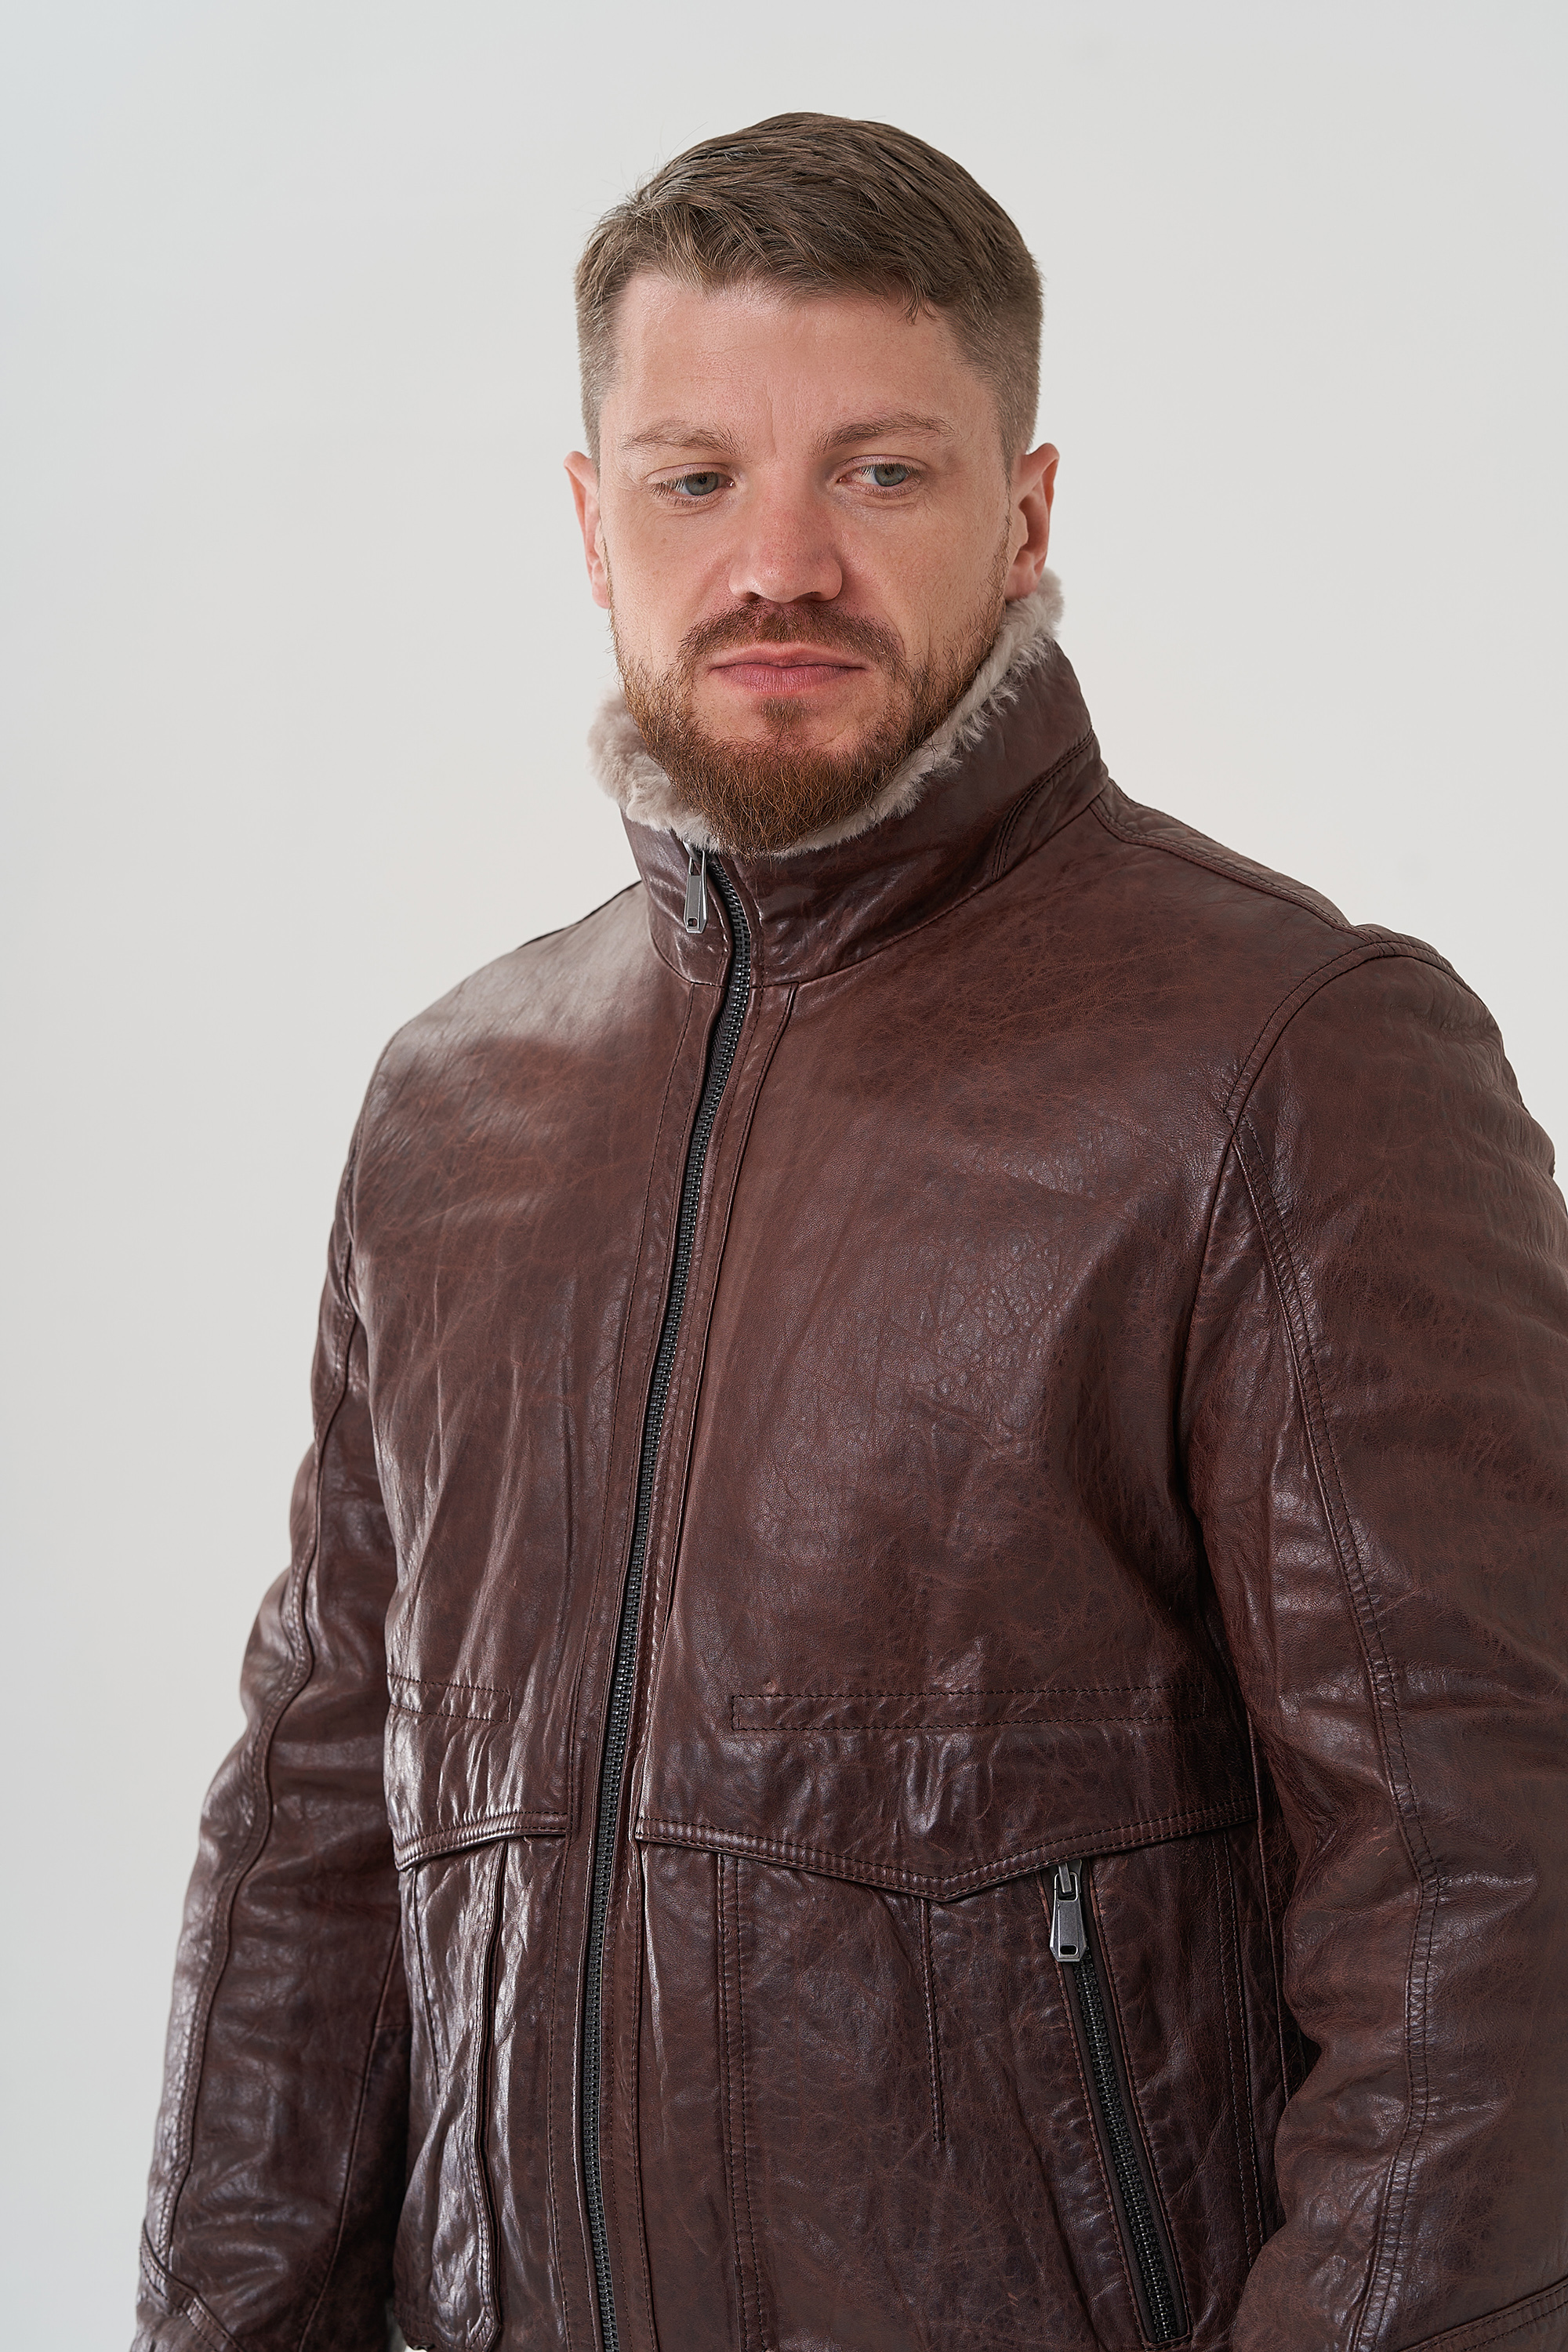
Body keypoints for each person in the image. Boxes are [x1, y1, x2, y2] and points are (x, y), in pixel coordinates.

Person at [134, 113, 1568, 2352]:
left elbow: (1490, 1899)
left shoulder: (1291, 1057)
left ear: (1029, 515)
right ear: (590, 522)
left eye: (881, 473)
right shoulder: (452, 1109)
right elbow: (312, 1856)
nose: (778, 562)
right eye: (696, 478)